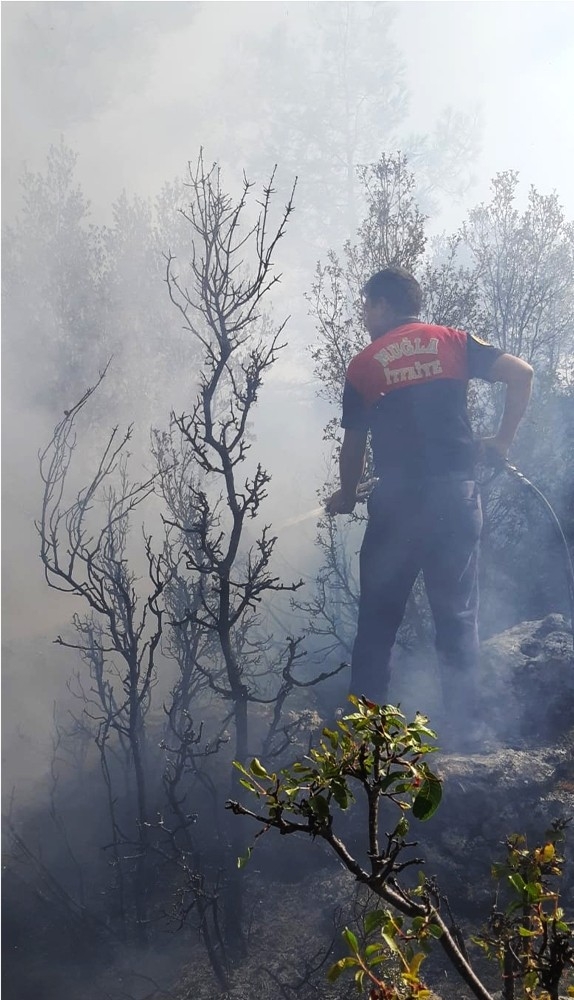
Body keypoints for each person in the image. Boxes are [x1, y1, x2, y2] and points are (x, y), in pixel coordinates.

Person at [326, 266, 533, 723]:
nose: (364, 316)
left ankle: (366, 738)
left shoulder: (365, 364)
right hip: (456, 500)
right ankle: (467, 732)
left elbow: (354, 445)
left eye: (366, 306)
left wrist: (347, 494)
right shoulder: (454, 341)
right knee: (457, 619)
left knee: (377, 625)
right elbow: (522, 373)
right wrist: (501, 442)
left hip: (398, 507)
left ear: (384, 305)